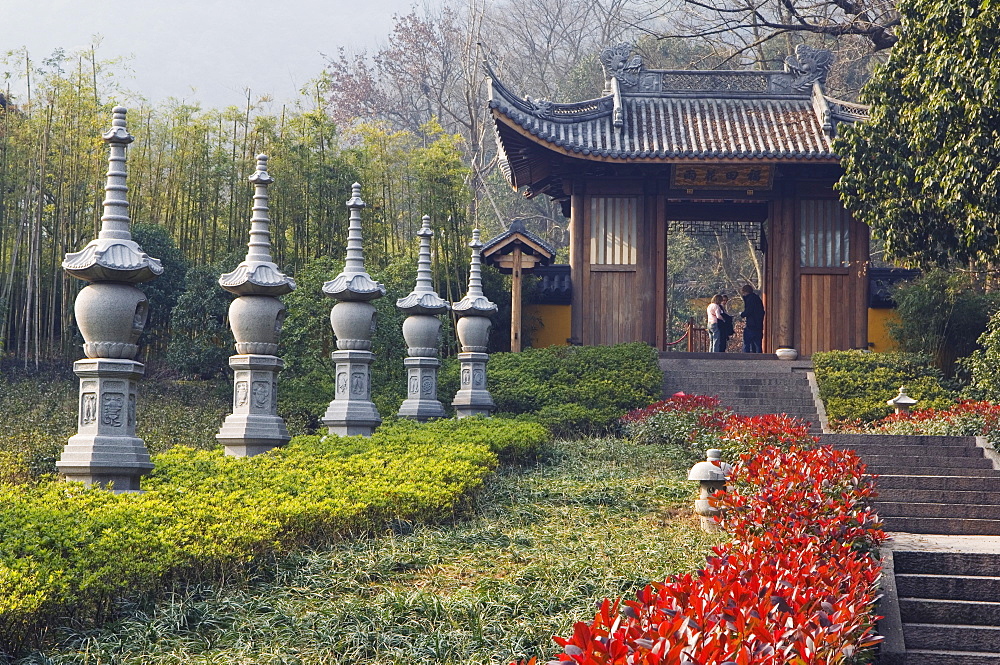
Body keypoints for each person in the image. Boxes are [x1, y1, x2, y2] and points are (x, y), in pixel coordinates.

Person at [739, 284, 765, 353]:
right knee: (758, 345)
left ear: (745, 292)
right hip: (758, 325)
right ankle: (759, 359)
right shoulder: (757, 299)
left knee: (747, 343)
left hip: (751, 324)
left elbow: (749, 311)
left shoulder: (749, 299)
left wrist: (742, 314)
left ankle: (746, 358)